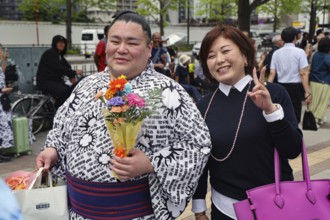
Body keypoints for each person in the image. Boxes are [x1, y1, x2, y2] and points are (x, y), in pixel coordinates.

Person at [35, 10, 211, 220]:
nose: (121, 49)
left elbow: (198, 145)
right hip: (79, 212)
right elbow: (62, 127)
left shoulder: (169, 92)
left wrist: (151, 163)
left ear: (149, 48)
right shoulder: (86, 86)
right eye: (115, 41)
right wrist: (52, 149)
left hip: (136, 213)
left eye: (132, 43)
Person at [192, 24, 302, 219]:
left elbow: (293, 150)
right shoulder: (203, 106)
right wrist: (199, 207)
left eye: (226, 51)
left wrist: (270, 111)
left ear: (244, 56)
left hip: (276, 205)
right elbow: (199, 162)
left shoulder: (275, 93)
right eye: (210, 56)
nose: (219, 60)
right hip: (225, 208)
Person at [268, 27, 311, 123]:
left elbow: (272, 73)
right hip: (295, 88)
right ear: (296, 37)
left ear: (282, 38)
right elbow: (303, 73)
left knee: (281, 116)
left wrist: (267, 89)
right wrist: (307, 92)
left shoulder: (276, 53)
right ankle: (295, 137)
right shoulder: (300, 52)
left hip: (280, 87)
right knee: (294, 117)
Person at [36, 35, 83, 108]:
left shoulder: (59, 55)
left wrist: (72, 77)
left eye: (63, 43)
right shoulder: (50, 53)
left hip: (53, 81)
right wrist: (74, 72)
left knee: (69, 89)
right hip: (45, 82)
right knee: (63, 91)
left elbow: (67, 66)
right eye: (59, 42)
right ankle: (58, 110)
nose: (61, 44)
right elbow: (59, 68)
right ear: (54, 43)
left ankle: (59, 108)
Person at [308, 37, 330, 126]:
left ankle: (317, 118)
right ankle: (315, 119)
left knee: (314, 101)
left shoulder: (315, 55)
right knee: (322, 102)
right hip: (324, 82)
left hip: (313, 81)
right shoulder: (328, 57)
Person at [0, 44, 14, 163]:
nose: (1, 52)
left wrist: (5, 59)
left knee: (3, 126)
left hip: (2, 101)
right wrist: (2, 90)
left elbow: (2, 71)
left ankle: (1, 153)